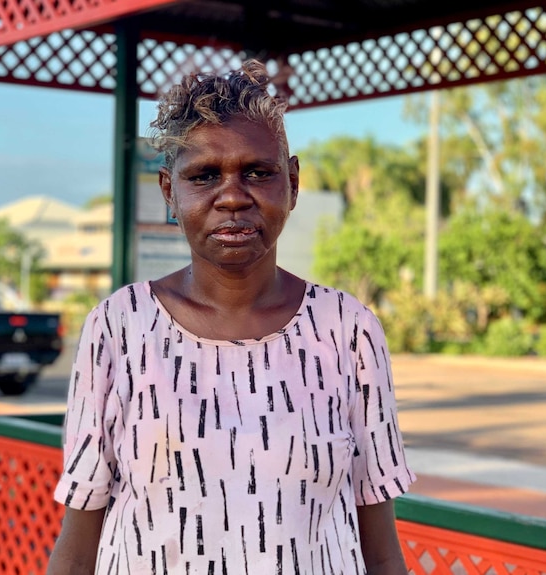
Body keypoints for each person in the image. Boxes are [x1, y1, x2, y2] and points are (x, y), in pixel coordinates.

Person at [47, 59, 416, 575]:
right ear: (170, 192)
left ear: (291, 182)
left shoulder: (348, 330)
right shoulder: (118, 328)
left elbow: (380, 550)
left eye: (258, 173)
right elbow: (78, 542)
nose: (234, 197)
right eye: (204, 176)